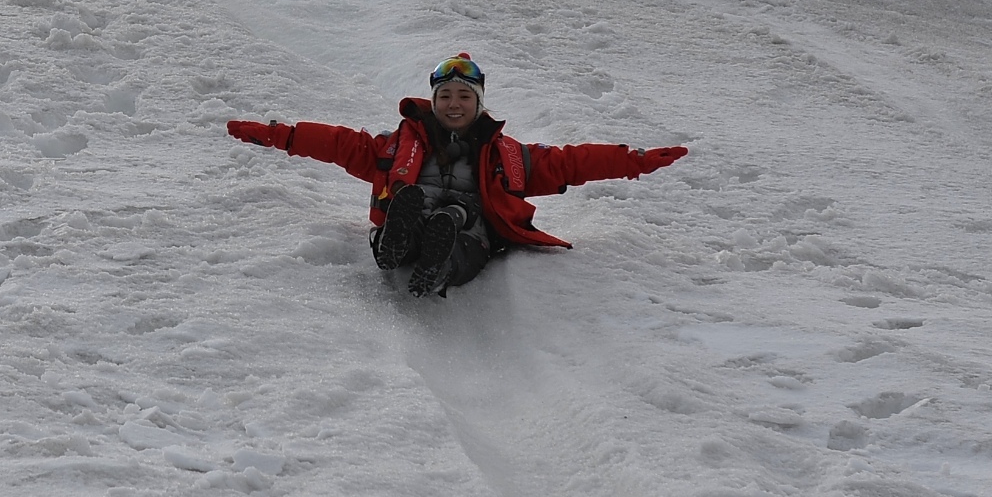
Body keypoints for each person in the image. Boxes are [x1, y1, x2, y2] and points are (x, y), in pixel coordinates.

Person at [225, 53, 688, 297]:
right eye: (445, 95)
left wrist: (634, 160)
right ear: (433, 100)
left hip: (466, 233)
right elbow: (336, 142)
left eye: (463, 96)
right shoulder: (396, 145)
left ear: (478, 103)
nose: (453, 104)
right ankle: (395, 245)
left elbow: (571, 162)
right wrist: (276, 134)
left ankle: (436, 264)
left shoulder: (506, 155)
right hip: (410, 214)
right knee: (414, 208)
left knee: (460, 222)